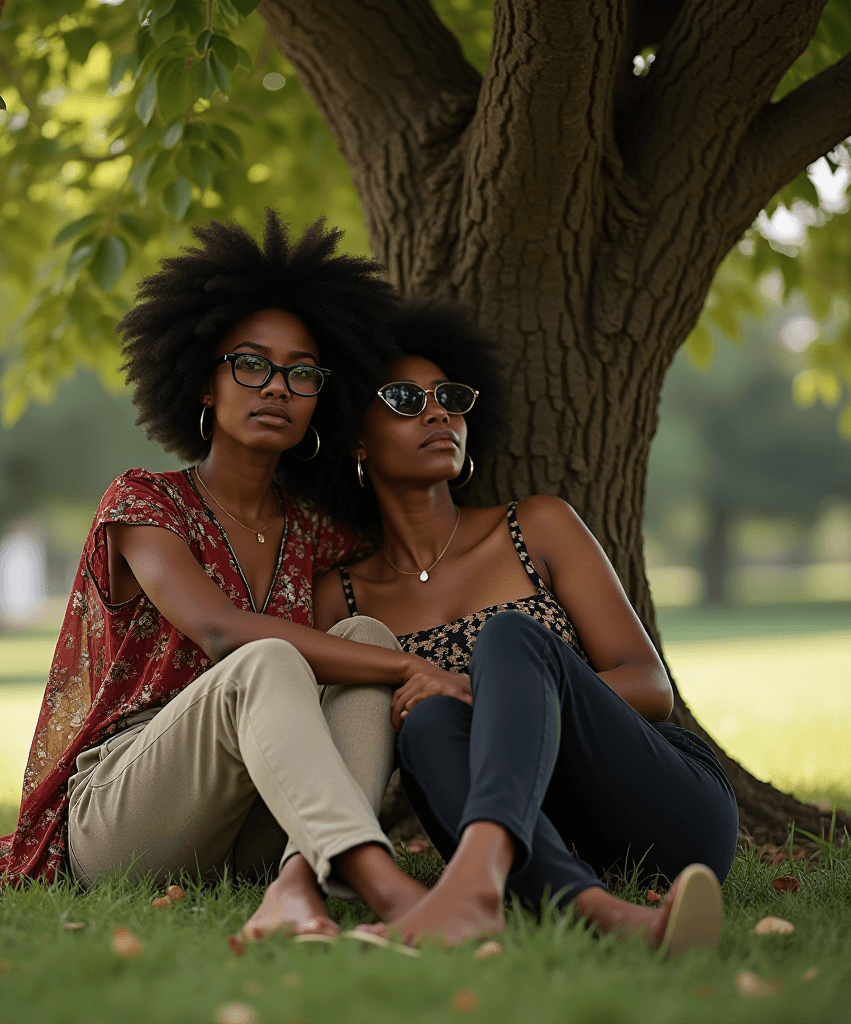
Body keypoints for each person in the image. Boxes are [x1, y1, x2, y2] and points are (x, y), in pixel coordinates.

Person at [0, 214, 468, 941]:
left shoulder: (315, 532)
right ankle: (385, 889)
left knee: (362, 634)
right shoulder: (143, 502)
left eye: (302, 373)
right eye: (250, 364)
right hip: (126, 814)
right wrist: (410, 664)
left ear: (322, 399)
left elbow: (409, 574)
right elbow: (222, 631)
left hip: (246, 823)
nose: (276, 387)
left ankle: (297, 885)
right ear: (203, 382)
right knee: (269, 654)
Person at [312, 300, 740, 953]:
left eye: (449, 397)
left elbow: (650, 685)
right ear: (356, 438)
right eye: (403, 399)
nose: (438, 412)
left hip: (655, 804)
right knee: (425, 724)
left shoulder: (536, 526)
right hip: (537, 831)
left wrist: (476, 687)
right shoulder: (341, 598)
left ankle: (474, 883)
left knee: (510, 639)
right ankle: (607, 914)